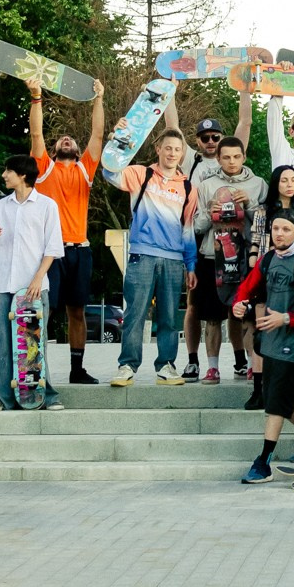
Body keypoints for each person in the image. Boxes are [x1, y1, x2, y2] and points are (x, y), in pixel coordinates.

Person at [231, 209, 294, 483]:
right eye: (275, 229)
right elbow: (247, 287)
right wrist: (240, 304)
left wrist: (287, 318)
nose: (279, 234)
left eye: (286, 229)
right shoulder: (268, 259)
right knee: (281, 400)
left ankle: (263, 462)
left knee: (275, 403)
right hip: (270, 342)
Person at [104, 128, 198, 385]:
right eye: (168, 148)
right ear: (158, 149)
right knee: (135, 313)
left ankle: (166, 366)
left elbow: (187, 229)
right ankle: (127, 366)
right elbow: (109, 171)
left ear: (182, 154)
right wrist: (118, 141)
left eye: (177, 149)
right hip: (142, 254)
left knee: (169, 316)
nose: (172, 153)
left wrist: (191, 265)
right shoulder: (140, 173)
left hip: (173, 259)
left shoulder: (189, 187)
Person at [29, 77, 107, 385]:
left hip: (80, 250)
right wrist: (37, 97)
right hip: (51, 252)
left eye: (70, 140)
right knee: (44, 310)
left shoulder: (85, 170)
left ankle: (77, 370)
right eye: (61, 139)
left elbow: (98, 134)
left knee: (77, 311)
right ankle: (36, 368)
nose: (66, 139)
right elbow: (36, 132)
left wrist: (99, 98)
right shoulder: (44, 168)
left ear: (76, 149)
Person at [170, 92, 251, 378]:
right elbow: (173, 128)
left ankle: (240, 359)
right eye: (205, 138)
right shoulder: (191, 160)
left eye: (215, 137)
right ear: (197, 142)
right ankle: (193, 359)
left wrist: (245, 90)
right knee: (194, 304)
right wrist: (170, 90)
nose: (211, 142)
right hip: (198, 237)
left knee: (233, 304)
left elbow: (245, 123)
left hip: (230, 243)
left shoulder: (230, 161)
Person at [0, 153, 65, 412]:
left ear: (23, 175)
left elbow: (52, 248)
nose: (4, 175)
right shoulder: (1, 206)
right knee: (0, 343)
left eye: (9, 171)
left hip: (33, 285)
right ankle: (1, 396)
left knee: (34, 343)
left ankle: (45, 396)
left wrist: (38, 278)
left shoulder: (46, 205)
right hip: (3, 284)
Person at [192, 136, 267, 384]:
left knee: (245, 315)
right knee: (213, 317)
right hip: (213, 257)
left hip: (246, 258)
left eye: (236, 156)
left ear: (244, 157)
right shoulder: (206, 185)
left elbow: (265, 224)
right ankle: (212, 367)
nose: (232, 161)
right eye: (226, 157)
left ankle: (249, 364)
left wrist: (249, 204)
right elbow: (196, 226)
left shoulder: (258, 184)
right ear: (219, 158)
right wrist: (209, 211)